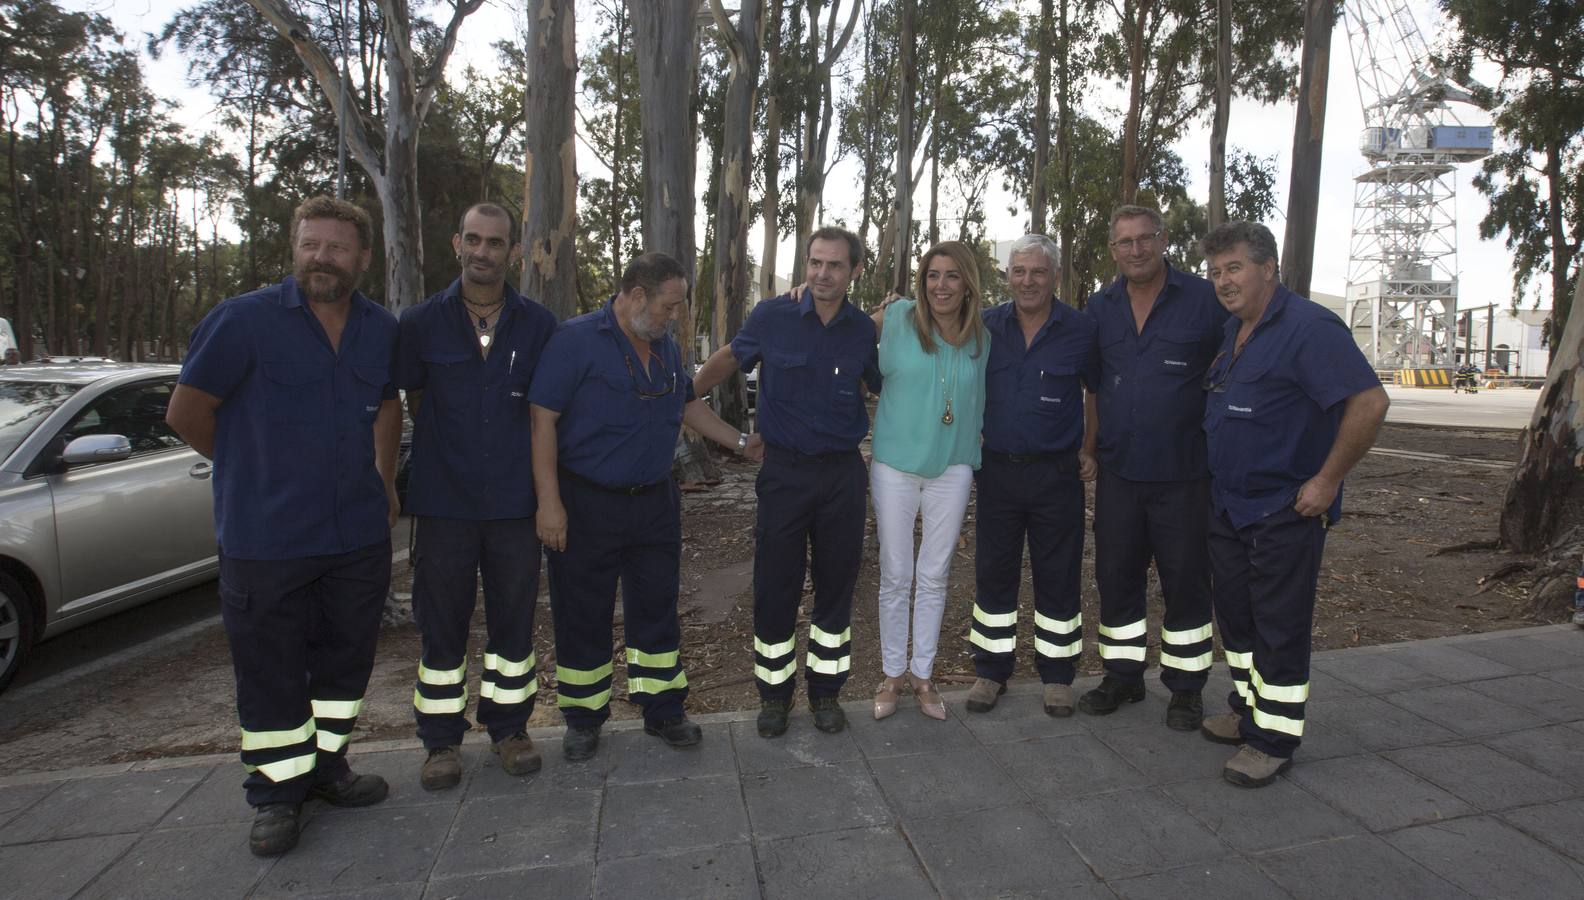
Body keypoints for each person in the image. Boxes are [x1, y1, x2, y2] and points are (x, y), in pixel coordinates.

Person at [165, 196, 401, 857]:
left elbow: (387, 406)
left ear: (362, 257)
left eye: (336, 247)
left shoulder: (379, 328)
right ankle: (275, 794)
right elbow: (186, 413)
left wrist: (383, 482)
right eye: (310, 244)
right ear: (294, 249)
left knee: (343, 662)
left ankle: (327, 771)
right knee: (270, 672)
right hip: (265, 539)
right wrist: (251, 466)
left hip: (355, 535)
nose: (321, 257)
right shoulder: (242, 321)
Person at [529, 251, 763, 762]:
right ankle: (584, 717)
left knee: (656, 607)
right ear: (637, 296)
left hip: (655, 502)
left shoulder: (665, 345)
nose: (674, 316)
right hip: (587, 502)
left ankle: (663, 708)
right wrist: (549, 504)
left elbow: (687, 405)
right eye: (670, 306)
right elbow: (541, 419)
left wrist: (742, 443)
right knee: (582, 611)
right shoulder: (575, 342)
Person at [1198, 221, 1388, 787]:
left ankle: (1273, 739)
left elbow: (1370, 402)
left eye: (1234, 268)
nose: (1224, 281)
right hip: (1230, 507)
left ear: (1269, 268)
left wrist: (1328, 480)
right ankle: (1250, 710)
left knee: (1278, 624)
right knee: (1238, 619)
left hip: (1284, 509)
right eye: (1215, 272)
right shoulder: (1235, 331)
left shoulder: (1308, 328)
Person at [693, 227, 880, 739]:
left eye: (835, 265)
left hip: (843, 474)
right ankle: (774, 696)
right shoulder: (772, 317)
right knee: (776, 585)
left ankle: (826, 692)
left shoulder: (862, 330)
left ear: (855, 271)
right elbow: (729, 359)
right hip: (785, 475)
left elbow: (890, 383)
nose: (822, 273)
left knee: (837, 586)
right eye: (815, 262)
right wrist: (681, 399)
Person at [396, 203, 558, 791]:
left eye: (495, 242)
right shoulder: (419, 323)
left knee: (513, 624)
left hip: (516, 506)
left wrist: (548, 500)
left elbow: (548, 415)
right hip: (445, 505)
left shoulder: (539, 325)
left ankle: (509, 729)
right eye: (473, 239)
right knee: (441, 624)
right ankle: (439, 740)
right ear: (455, 244)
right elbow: (410, 400)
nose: (482, 251)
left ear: (514, 251)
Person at [1077, 206, 1228, 730]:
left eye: (1145, 240)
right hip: (1120, 472)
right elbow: (1093, 387)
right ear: (1113, 249)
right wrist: (1090, 447)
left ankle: (1186, 688)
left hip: (1185, 473)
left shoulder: (1204, 301)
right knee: (1117, 577)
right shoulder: (1100, 308)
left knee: (1186, 580)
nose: (1136, 251)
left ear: (1163, 241)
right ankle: (1122, 676)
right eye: (1125, 243)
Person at [963, 235, 1098, 718]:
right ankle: (990, 672)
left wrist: (1089, 448)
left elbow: (1095, 392)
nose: (1027, 281)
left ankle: (1058, 676)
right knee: (993, 574)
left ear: (1054, 277)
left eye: (1037, 272)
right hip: (997, 472)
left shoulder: (1080, 329)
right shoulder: (984, 325)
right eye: (1019, 271)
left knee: (1058, 575)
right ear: (1007, 276)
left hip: (1057, 475)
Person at [871, 241, 989, 720]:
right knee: (896, 573)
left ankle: (923, 674)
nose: (940, 285)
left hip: (954, 465)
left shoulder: (983, 334)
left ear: (967, 285)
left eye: (952, 276)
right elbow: (836, 322)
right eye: (932, 275)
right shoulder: (896, 318)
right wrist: (798, 293)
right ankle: (892, 674)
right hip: (895, 466)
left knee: (935, 574)